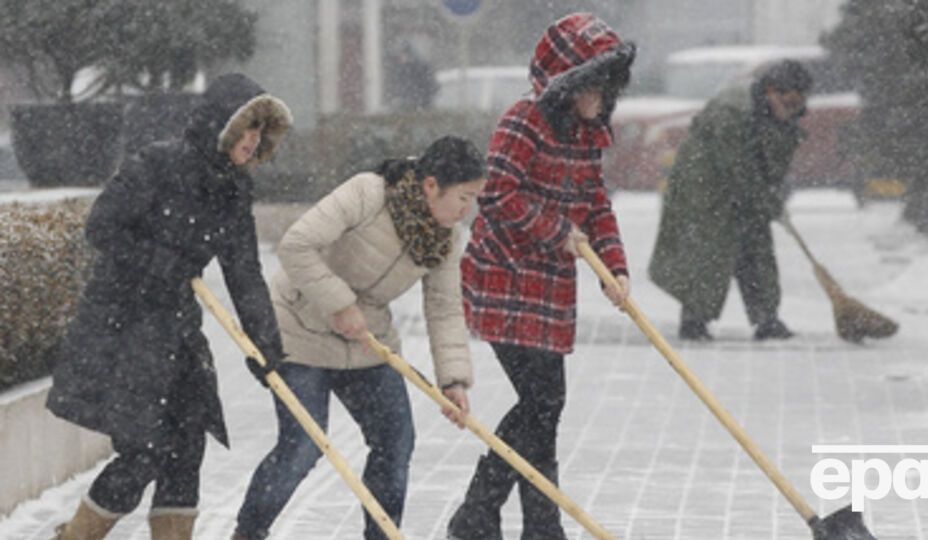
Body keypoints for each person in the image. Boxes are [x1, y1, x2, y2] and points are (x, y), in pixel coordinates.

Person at [45, 73, 293, 540]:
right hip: (125, 326)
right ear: (223, 126)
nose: (254, 140)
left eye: (262, 131)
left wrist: (265, 346)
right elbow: (102, 227)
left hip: (177, 330)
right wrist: (159, 262)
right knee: (144, 451)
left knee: (185, 446)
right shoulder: (158, 165)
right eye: (248, 128)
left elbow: (244, 273)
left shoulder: (234, 189)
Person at [231, 135, 485, 540]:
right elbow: (296, 245)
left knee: (395, 442)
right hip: (301, 331)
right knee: (302, 447)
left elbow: (444, 308)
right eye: (464, 197)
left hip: (367, 342)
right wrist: (338, 302)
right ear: (431, 184)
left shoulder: (446, 239)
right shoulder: (368, 194)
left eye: (475, 199)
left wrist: (453, 380)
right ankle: (247, 533)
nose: (467, 209)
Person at [446, 13, 636, 540]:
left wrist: (613, 268)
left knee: (543, 410)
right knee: (543, 403)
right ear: (568, 82)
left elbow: (596, 203)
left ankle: (504, 520)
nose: (601, 94)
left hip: (550, 288)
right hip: (503, 280)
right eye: (592, 82)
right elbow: (498, 194)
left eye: (607, 83)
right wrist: (557, 231)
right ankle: (503, 519)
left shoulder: (586, 131)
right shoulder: (524, 120)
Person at [648, 59, 813, 341]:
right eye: (787, 102)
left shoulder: (778, 116)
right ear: (771, 91)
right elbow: (737, 167)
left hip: (742, 188)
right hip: (704, 189)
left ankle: (767, 318)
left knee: (757, 246)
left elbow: (771, 163)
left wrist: (771, 195)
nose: (791, 110)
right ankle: (694, 320)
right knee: (710, 251)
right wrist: (767, 201)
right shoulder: (731, 111)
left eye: (797, 104)